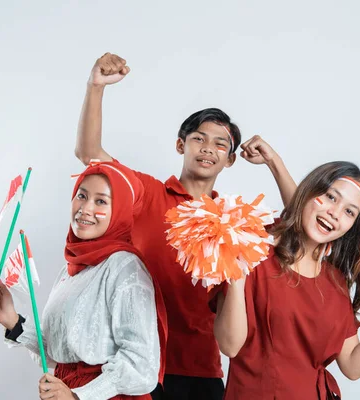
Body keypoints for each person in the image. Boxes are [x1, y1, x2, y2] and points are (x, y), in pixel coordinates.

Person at [74, 52, 297, 400]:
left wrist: (274, 160)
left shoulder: (235, 222)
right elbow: (90, 154)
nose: (209, 148)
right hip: (135, 361)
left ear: (230, 159)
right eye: (199, 138)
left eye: (220, 143)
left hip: (200, 369)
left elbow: (300, 225)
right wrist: (95, 87)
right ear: (181, 145)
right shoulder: (148, 194)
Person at [213, 161, 360, 400]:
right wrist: (237, 277)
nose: (335, 213)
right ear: (309, 191)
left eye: (349, 211)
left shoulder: (336, 282)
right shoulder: (254, 253)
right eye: (331, 197)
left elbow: (352, 364)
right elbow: (229, 346)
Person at [0, 160, 167, 400]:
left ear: (119, 210)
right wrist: (12, 321)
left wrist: (80, 396)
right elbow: (57, 351)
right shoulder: (70, 270)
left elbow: (141, 363)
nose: (85, 208)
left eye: (101, 201)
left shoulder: (124, 266)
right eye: (81, 195)